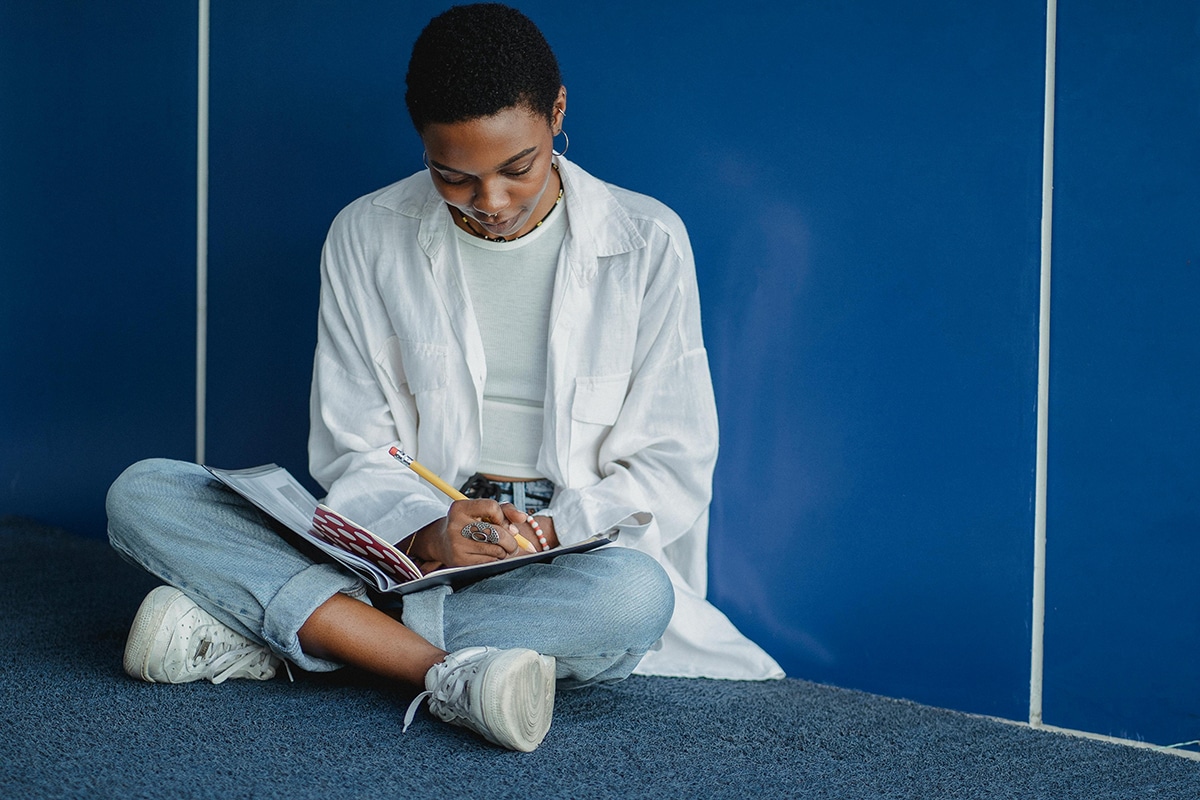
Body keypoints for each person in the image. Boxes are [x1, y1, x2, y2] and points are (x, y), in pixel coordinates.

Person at [106, 2, 782, 754]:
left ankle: (294, 629)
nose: (490, 203)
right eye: (453, 177)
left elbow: (673, 464)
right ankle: (442, 669)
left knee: (633, 600)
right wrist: (430, 535)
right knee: (145, 491)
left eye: (516, 168)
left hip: (567, 564)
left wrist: (552, 532)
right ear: (422, 146)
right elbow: (353, 450)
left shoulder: (648, 241)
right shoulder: (365, 234)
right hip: (403, 549)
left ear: (558, 114)